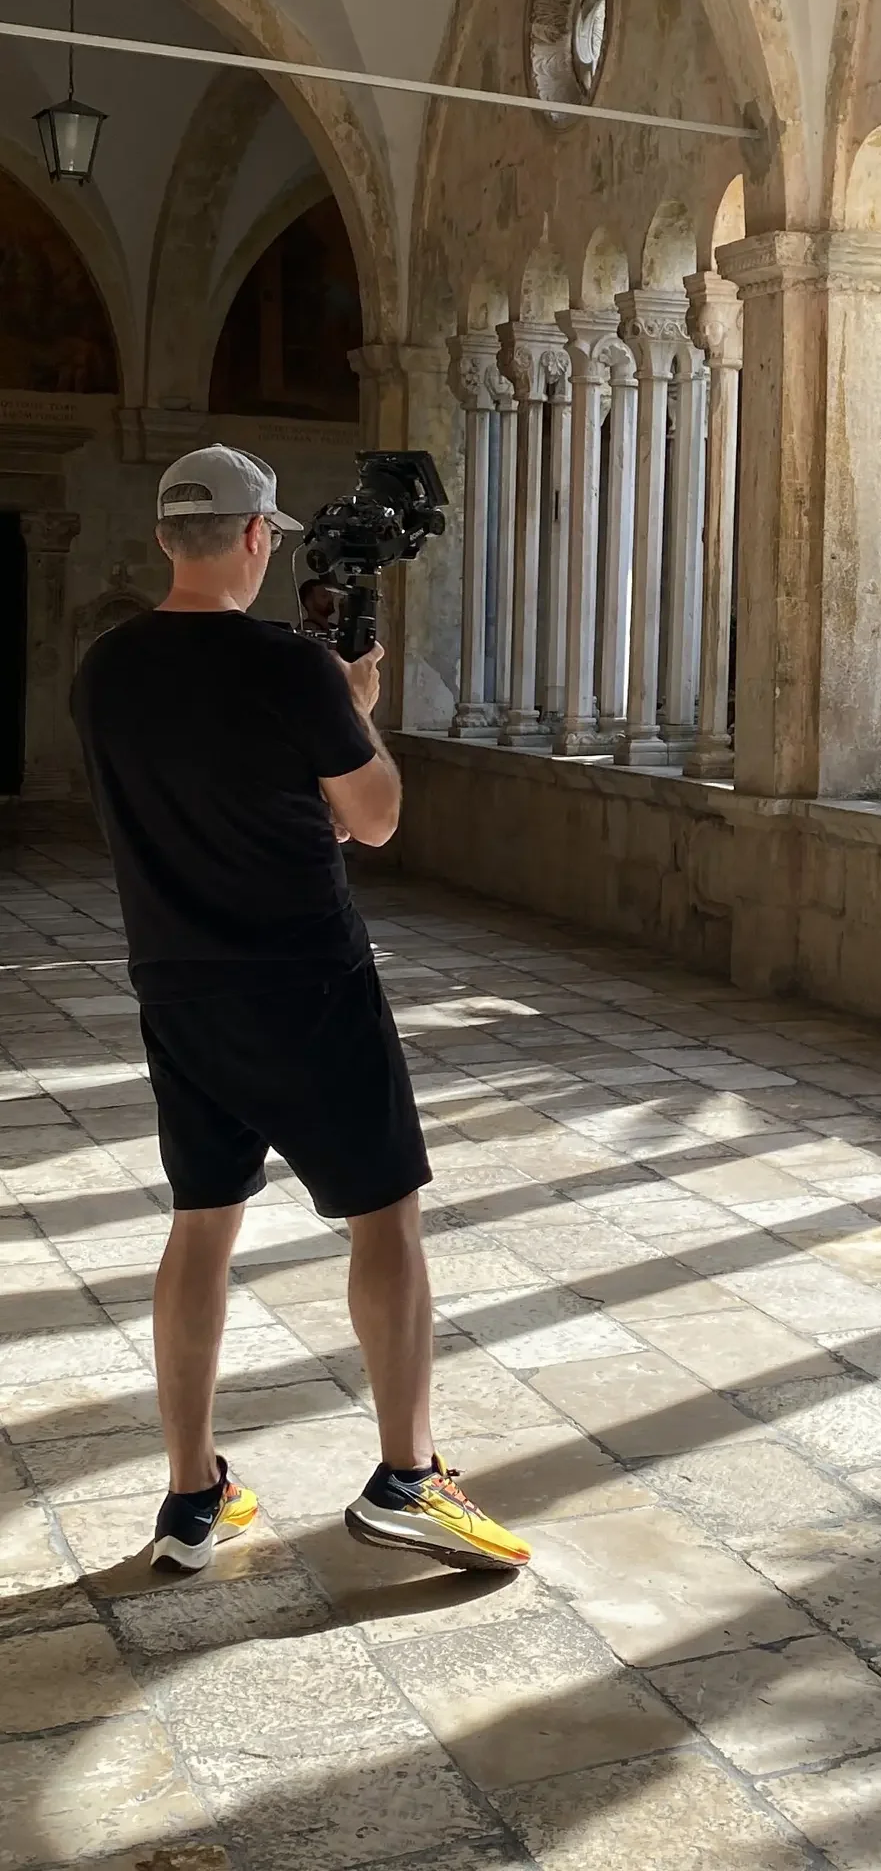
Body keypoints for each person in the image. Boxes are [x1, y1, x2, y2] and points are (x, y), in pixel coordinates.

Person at [71, 444, 529, 1577]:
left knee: (202, 1225)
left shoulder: (103, 670)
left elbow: (220, 807)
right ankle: (409, 1480)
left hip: (177, 986)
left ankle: (191, 1499)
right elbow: (370, 820)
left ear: (168, 537)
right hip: (305, 978)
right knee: (386, 1218)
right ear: (255, 539)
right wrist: (355, 709)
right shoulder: (292, 670)